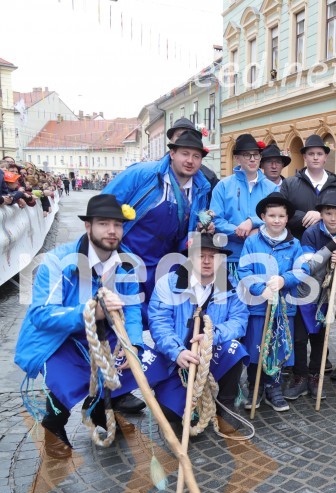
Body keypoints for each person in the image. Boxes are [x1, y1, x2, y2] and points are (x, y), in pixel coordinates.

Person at [15, 195, 168, 458]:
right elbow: (41, 314)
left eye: (117, 225)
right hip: (60, 340)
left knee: (146, 363)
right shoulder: (57, 261)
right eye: (103, 224)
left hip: (107, 336)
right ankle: (53, 425)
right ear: (88, 227)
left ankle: (99, 408)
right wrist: (90, 311)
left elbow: (131, 307)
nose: (111, 231)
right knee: (68, 379)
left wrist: (132, 342)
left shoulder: (126, 263)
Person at [102, 132, 212, 310]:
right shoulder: (143, 174)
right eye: (185, 153)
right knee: (124, 312)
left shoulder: (201, 189)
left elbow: (188, 229)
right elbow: (105, 203)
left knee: (159, 314)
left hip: (164, 263)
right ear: (172, 154)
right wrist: (106, 246)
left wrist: (198, 232)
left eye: (196, 156)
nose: (190, 160)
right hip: (128, 255)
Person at [147, 233, 248, 423]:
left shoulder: (231, 285)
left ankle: (225, 403)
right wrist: (177, 352)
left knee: (235, 348)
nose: (207, 261)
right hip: (177, 360)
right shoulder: (168, 284)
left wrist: (212, 336)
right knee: (172, 414)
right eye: (201, 256)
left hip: (212, 352)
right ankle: (181, 395)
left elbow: (239, 321)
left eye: (213, 256)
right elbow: (159, 323)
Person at [237, 192, 308, 411]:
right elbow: (244, 269)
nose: (276, 220)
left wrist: (284, 279)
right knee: (257, 347)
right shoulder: (252, 242)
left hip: (283, 308)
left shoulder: (294, 244)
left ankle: (273, 386)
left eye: (281, 216)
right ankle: (255, 385)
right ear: (263, 217)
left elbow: (302, 270)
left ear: (287, 219)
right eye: (271, 215)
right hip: (258, 307)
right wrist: (260, 289)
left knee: (278, 348)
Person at [292, 189, 336, 398]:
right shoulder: (311, 233)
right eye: (328, 213)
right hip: (306, 293)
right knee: (300, 338)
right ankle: (299, 376)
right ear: (321, 214)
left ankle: (315, 377)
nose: (333, 218)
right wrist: (329, 249)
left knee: (319, 338)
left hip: (327, 297)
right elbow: (309, 266)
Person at [209, 134, 277, 284]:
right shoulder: (223, 186)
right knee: (229, 301)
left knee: (259, 302)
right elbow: (216, 219)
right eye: (247, 155)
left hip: (262, 256)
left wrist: (252, 222)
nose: (252, 159)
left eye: (256, 155)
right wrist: (238, 231)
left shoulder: (272, 188)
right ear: (237, 158)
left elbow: (277, 217)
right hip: (231, 256)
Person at [280, 134, 336, 239]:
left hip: (330, 245)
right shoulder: (289, 184)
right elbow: (282, 211)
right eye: (311, 154)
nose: (315, 158)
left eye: (319, 154)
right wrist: (305, 217)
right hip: (297, 244)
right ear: (305, 157)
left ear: (325, 157)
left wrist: (321, 216)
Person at [166, 118, 220, 190]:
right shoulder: (153, 173)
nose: (185, 139)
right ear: (171, 140)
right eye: (179, 135)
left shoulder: (208, 178)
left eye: (189, 135)